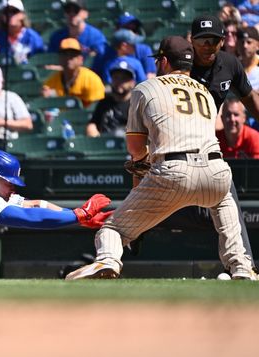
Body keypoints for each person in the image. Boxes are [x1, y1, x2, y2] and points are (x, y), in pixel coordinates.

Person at [66, 36, 256, 280]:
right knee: (222, 203)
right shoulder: (207, 95)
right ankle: (241, 267)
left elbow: (136, 148)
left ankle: (108, 260)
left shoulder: (146, 88)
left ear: (164, 61)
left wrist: (141, 169)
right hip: (216, 170)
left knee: (113, 229)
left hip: (172, 170)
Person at [188, 14, 259, 272]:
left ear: (221, 42)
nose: (208, 45)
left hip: (205, 148)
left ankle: (244, 265)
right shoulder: (179, 62)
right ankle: (115, 249)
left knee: (228, 200)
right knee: (142, 211)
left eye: (214, 40)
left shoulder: (229, 64)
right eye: (202, 40)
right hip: (172, 147)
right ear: (191, 41)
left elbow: (250, 99)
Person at [41, 38, 105, 108]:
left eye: (72, 55)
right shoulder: (51, 83)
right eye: (64, 54)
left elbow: (98, 109)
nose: (68, 58)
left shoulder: (92, 80)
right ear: (59, 58)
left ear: (81, 59)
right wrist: (46, 100)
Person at [86, 61, 136, 138]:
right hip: (103, 143)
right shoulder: (104, 102)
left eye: (124, 79)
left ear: (132, 83)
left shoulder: (136, 104)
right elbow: (93, 124)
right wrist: (93, 134)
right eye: (116, 78)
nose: (119, 82)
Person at [0, 0, 45, 64]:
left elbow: (41, 65)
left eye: (14, 11)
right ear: (2, 16)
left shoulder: (33, 38)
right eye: (6, 12)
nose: (10, 15)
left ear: (22, 15)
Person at [115, 13, 156, 79]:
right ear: (117, 30)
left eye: (134, 29)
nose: (131, 32)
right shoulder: (106, 52)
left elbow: (151, 76)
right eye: (127, 29)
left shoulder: (144, 50)